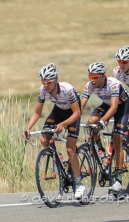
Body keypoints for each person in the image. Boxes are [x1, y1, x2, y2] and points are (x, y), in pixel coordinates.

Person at [23, 63, 85, 199]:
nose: (45, 85)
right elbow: (37, 112)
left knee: (70, 148)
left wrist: (63, 124)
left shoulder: (67, 89)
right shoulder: (42, 90)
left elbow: (77, 113)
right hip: (58, 111)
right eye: (43, 82)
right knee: (44, 138)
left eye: (48, 82)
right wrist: (28, 128)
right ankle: (58, 160)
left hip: (72, 114)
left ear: (56, 79)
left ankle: (79, 182)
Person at [80, 62, 129, 193]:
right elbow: (80, 106)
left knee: (117, 138)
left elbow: (114, 107)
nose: (92, 80)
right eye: (90, 77)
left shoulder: (113, 84)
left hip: (122, 107)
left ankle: (118, 179)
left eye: (95, 77)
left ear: (103, 76)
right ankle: (101, 150)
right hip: (107, 104)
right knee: (91, 121)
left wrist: (103, 120)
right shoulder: (90, 85)